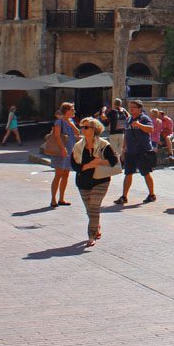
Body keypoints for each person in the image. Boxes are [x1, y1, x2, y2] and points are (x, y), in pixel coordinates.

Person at [70, 117, 119, 246]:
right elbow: (74, 165)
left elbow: (113, 162)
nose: (83, 129)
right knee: (90, 210)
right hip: (83, 182)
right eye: (82, 127)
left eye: (86, 127)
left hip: (100, 181)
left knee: (94, 208)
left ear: (94, 129)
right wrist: (87, 166)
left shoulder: (103, 145)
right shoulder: (78, 146)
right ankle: (96, 225)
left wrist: (98, 162)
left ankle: (91, 236)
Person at [116, 100, 156, 204]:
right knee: (128, 173)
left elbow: (151, 129)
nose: (131, 109)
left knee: (146, 173)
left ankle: (152, 194)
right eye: (130, 107)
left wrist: (139, 125)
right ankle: (124, 196)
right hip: (130, 151)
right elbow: (126, 134)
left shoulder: (144, 118)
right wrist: (124, 148)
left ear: (140, 109)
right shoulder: (128, 119)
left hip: (142, 151)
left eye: (133, 107)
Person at [49, 102, 78, 208]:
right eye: (72, 109)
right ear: (66, 111)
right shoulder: (58, 122)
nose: (74, 111)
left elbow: (77, 132)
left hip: (70, 150)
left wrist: (71, 124)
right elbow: (56, 136)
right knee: (58, 175)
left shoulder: (71, 121)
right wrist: (62, 148)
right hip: (60, 151)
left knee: (66, 175)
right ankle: (53, 199)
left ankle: (61, 198)